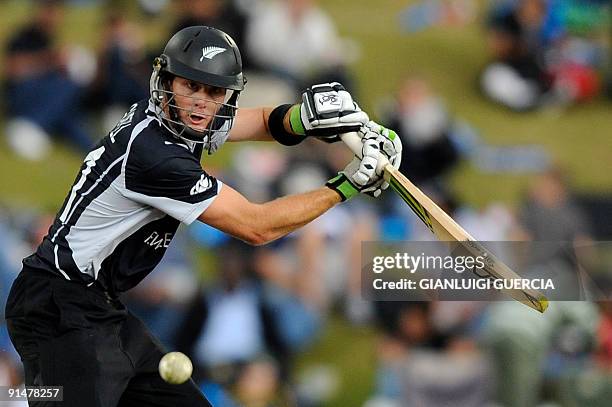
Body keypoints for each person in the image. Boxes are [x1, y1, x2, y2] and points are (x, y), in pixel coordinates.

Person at [4, 26, 401, 407]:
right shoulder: (156, 157)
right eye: (190, 85)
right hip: (57, 307)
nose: (200, 101)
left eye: (213, 91)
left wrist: (308, 118)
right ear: (168, 83)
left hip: (99, 309)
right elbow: (256, 226)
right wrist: (346, 185)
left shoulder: (170, 118)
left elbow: (260, 121)